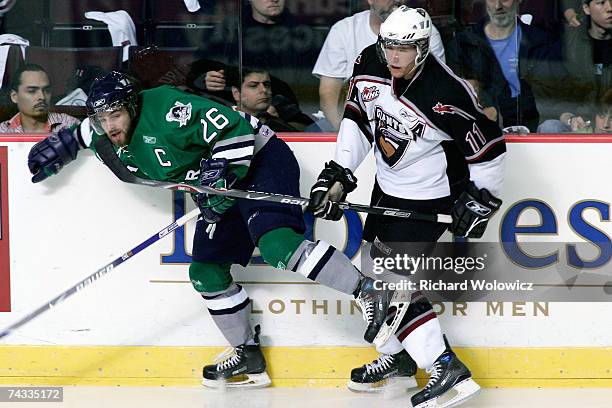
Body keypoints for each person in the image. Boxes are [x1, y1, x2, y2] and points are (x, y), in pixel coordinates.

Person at [26, 71, 398, 388]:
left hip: (259, 161)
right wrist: (65, 144)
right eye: (102, 119)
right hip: (216, 187)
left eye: (116, 116)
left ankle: (368, 291)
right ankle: (246, 355)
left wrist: (224, 174)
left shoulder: (170, 111)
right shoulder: (104, 129)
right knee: (205, 271)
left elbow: (236, 128)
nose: (110, 126)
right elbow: (83, 135)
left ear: (133, 105)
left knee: (278, 246)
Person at [308, 7, 506, 407]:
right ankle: (398, 358)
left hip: (430, 195)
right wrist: (340, 172)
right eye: (390, 46)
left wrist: (482, 198)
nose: (395, 56)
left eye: (406, 48)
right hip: (389, 186)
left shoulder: (445, 92)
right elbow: (359, 118)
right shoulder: (368, 60)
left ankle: (444, 366)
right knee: (372, 272)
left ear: (423, 47)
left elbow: (489, 150)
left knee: (389, 287)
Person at [312, 0, 446, 130]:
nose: (397, 0)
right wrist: (344, 133)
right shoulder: (344, 30)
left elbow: (433, 93)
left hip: (406, 125)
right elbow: (328, 93)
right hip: (346, 121)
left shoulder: (425, 32)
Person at [446, 0, 566, 132]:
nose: (498, 6)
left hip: (532, 128)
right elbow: (456, 96)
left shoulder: (540, 41)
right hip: (483, 130)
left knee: (553, 127)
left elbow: (553, 94)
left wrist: (566, 115)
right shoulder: (463, 44)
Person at [552, 0, 612, 128]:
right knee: (550, 126)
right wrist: (571, 119)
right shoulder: (569, 47)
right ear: (586, 9)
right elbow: (556, 100)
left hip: (609, 119)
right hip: (581, 121)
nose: (609, 8)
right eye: (601, 2)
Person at [0, 64, 79, 133]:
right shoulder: (3, 132)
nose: (42, 97)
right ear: (14, 96)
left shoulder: (69, 125)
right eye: (32, 91)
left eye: (46, 91)